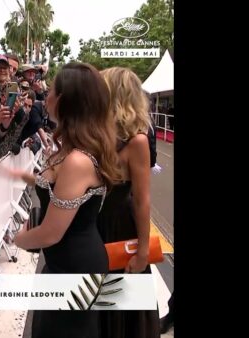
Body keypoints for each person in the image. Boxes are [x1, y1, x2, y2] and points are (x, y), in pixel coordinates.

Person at [11, 63, 122, 338]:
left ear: (64, 100)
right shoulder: (69, 150)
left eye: (51, 90)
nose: (45, 95)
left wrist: (17, 239)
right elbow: (53, 189)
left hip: (75, 270)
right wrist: (20, 177)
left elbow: (51, 233)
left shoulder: (76, 160)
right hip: (63, 264)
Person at [97, 67, 160, 338]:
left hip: (120, 227)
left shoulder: (137, 141)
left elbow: (142, 199)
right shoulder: (96, 134)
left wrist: (143, 250)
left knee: (123, 302)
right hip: (96, 225)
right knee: (101, 301)